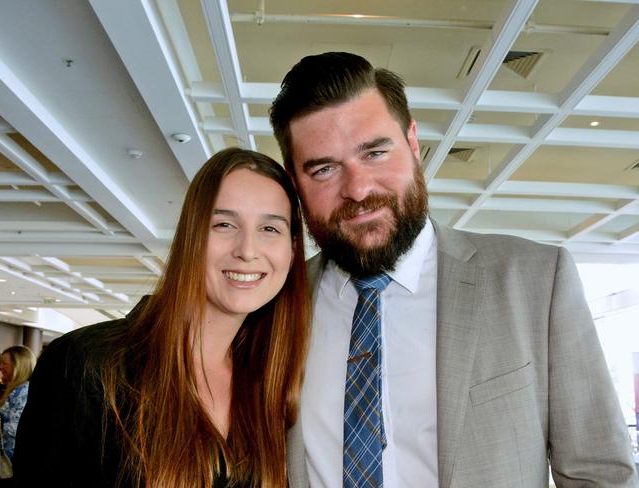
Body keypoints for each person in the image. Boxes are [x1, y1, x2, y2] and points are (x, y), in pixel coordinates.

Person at [270, 52, 638, 487]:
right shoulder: (275, 305)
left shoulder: (537, 279)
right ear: (296, 183)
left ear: (412, 143)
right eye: (325, 169)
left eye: (375, 152)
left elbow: (600, 474)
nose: (358, 189)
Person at [13, 148, 310, 487]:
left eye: (270, 229)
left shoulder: (269, 380)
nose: (247, 250)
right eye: (224, 224)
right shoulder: (86, 365)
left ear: (293, 248)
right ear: (191, 237)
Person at [0, 346, 36, 462]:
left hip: (14, 459)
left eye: (4, 363)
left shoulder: (24, 391)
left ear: (18, 366)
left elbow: (18, 427)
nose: (0, 367)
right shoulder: (17, 389)